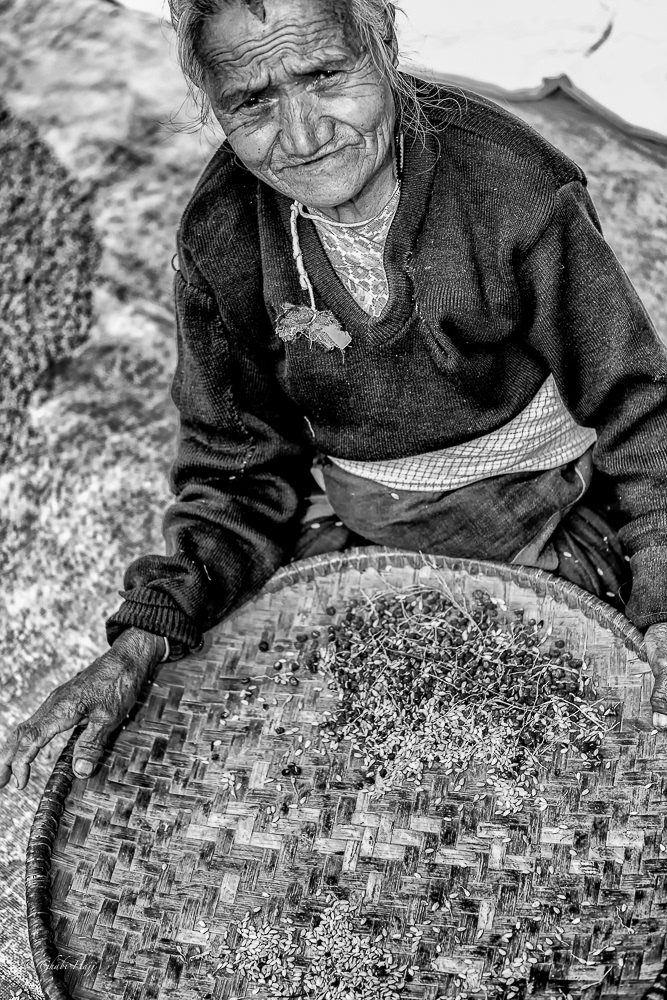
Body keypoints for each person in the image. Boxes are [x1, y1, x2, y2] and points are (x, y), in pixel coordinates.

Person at [2, 0, 667, 791]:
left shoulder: (513, 190)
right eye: (252, 101)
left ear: (381, 40)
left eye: (324, 75)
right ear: (212, 103)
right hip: (355, 514)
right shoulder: (223, 233)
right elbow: (235, 468)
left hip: (541, 511)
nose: (302, 135)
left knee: (557, 750)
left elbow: (638, 410)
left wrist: (662, 596)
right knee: (292, 760)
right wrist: (144, 635)